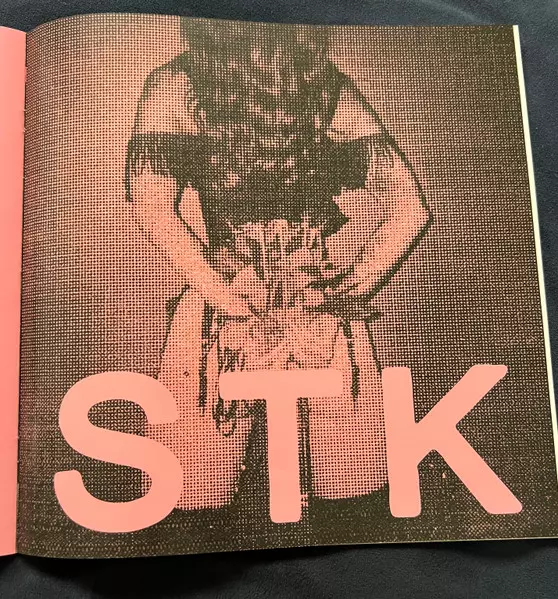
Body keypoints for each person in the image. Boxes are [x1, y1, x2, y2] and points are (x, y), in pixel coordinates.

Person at [125, 21, 431, 514]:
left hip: (244, 308)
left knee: (212, 499)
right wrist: (339, 293)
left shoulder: (177, 84)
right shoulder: (317, 83)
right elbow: (410, 208)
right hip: (289, 307)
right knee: (203, 491)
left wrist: (232, 298)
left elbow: (151, 208)